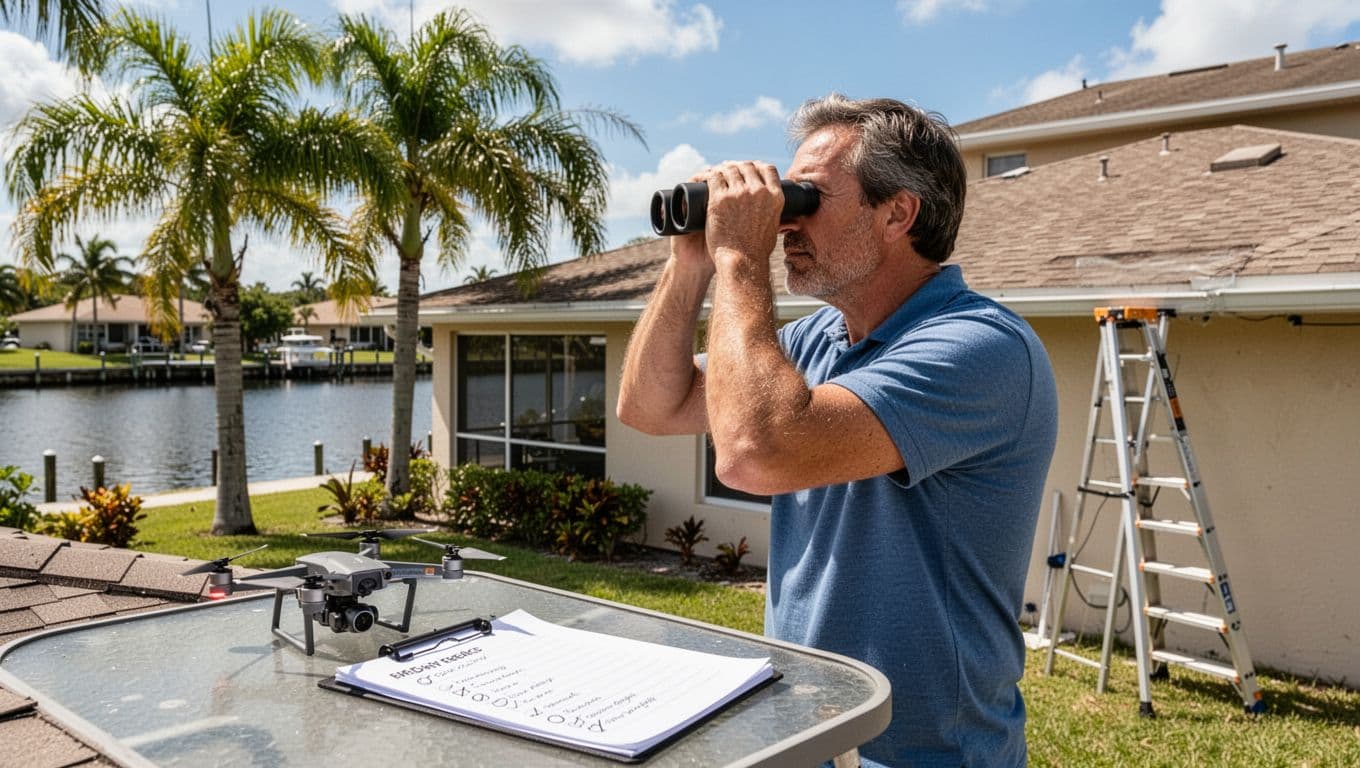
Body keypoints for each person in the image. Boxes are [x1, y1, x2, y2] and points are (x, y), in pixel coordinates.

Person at [617, 94, 1058, 767]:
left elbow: (756, 454)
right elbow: (650, 405)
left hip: (927, 754)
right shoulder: (815, 338)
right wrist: (691, 263)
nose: (786, 222)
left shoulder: (980, 349)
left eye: (806, 199)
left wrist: (741, 260)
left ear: (898, 213)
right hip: (808, 737)